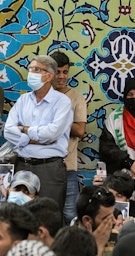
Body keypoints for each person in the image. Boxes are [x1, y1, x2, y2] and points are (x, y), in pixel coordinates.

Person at [4, 55, 73, 212]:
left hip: (49, 168)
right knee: (17, 216)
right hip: (22, 165)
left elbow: (51, 134)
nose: (31, 73)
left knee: (47, 217)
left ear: (49, 76)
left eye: (36, 70)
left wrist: (24, 130)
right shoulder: (23, 100)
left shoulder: (62, 102)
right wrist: (34, 139)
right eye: (30, 69)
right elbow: (8, 131)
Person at [50, 51, 87, 225]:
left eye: (65, 72)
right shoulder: (39, 97)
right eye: (58, 72)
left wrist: (57, 122)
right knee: (46, 215)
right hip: (43, 167)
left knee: (70, 215)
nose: (62, 76)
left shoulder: (76, 98)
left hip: (68, 168)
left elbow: (80, 130)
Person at [74, 185, 116, 256]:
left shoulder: (116, 237)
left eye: (113, 214)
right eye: (106, 218)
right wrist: (97, 247)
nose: (114, 221)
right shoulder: (69, 245)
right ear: (87, 220)